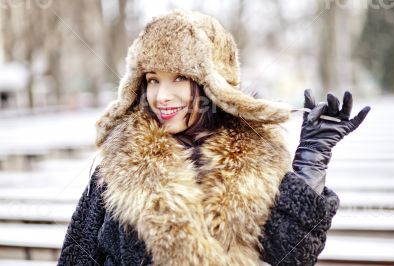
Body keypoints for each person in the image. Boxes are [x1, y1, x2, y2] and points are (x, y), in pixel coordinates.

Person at [57, 9, 370, 266]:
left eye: (180, 77)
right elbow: (77, 255)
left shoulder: (254, 158)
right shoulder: (120, 163)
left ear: (213, 85)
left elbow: (293, 255)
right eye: (153, 80)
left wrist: (313, 158)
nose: (162, 96)